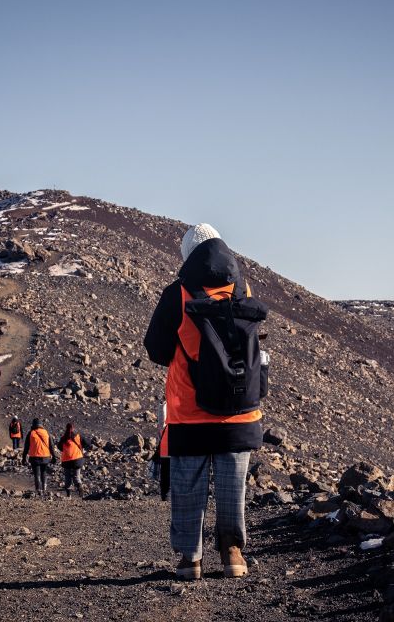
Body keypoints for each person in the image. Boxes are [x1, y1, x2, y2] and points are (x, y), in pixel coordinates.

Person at [143, 223, 267, 581]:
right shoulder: (243, 288)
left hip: (189, 413)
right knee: (232, 487)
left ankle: (189, 560)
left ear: (188, 256)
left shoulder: (178, 294)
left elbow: (156, 349)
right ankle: (233, 553)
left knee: (188, 487)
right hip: (240, 411)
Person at [22, 418, 57, 497]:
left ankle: (38, 491)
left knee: (37, 474)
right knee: (43, 472)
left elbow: (26, 447)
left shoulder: (31, 433)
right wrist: (54, 457)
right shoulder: (46, 433)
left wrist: (24, 458)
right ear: (41, 425)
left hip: (34, 457)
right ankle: (44, 489)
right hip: (45, 457)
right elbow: (51, 446)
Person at [58, 422, 85, 498]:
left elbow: (59, 447)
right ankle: (80, 489)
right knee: (76, 476)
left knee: (68, 477)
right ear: (73, 428)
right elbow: (87, 443)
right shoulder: (78, 436)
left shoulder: (63, 438)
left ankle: (68, 495)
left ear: (66, 428)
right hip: (77, 459)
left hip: (66, 460)